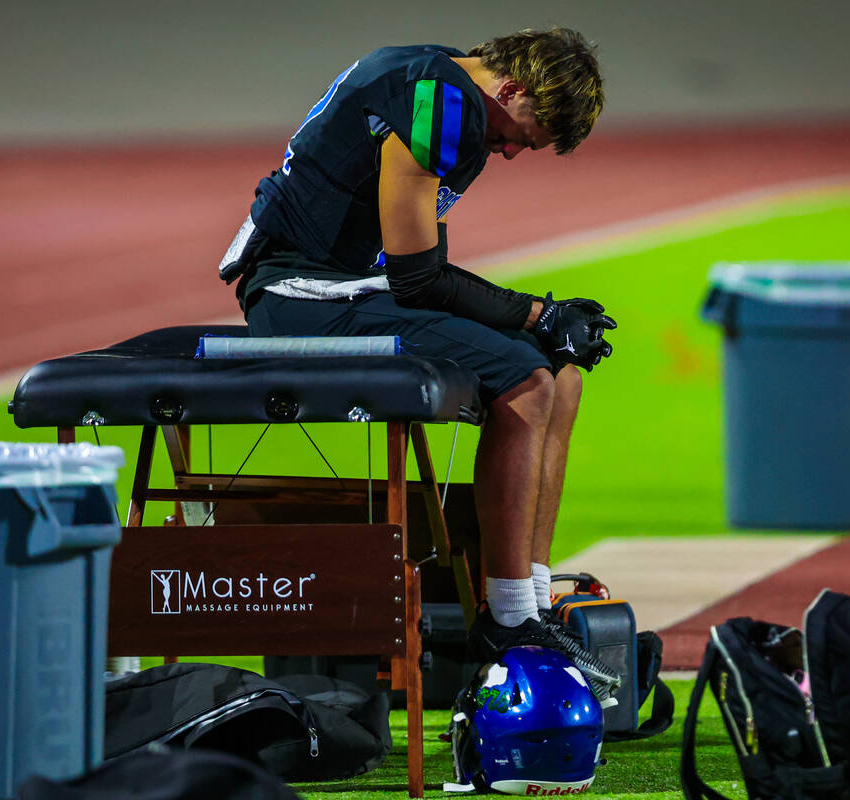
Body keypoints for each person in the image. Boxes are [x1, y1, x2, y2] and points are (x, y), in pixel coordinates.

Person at [217, 27, 619, 701]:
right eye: (525, 132)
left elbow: (409, 271)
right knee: (526, 379)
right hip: (303, 298)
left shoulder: (441, 81)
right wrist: (535, 313)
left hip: (347, 284)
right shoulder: (441, 102)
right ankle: (509, 620)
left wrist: (544, 322)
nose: (516, 152)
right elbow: (418, 278)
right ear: (512, 88)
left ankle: (531, 598)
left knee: (564, 372)